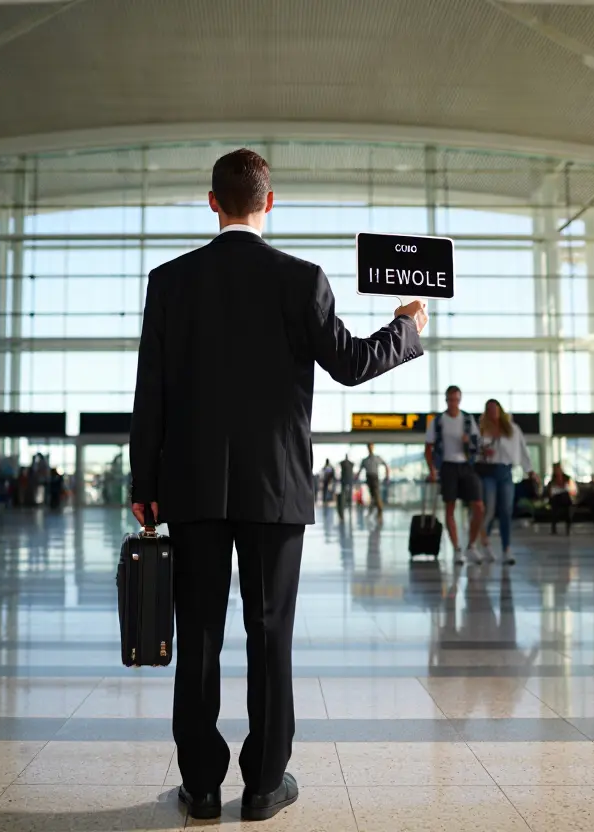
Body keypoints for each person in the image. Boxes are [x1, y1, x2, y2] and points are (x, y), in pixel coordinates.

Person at [129, 148, 426, 822]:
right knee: (270, 633)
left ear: (213, 202)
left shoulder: (169, 281)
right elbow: (351, 364)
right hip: (276, 489)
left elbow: (151, 392)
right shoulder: (301, 279)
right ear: (270, 203)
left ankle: (201, 785)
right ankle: (265, 783)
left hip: (193, 488)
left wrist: (146, 479)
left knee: (198, 634)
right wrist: (406, 326)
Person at [424, 385, 484, 565]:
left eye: (456, 400)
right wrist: (432, 469)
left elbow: (477, 444)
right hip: (447, 466)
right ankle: (457, 549)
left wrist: (468, 442)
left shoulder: (467, 419)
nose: (453, 403)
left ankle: (471, 546)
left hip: (466, 466)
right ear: (446, 400)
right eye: (450, 400)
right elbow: (428, 447)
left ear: (460, 400)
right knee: (450, 507)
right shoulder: (438, 421)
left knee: (479, 507)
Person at [475, 399, 532, 566]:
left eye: (495, 409)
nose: (493, 413)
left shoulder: (512, 430)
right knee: (490, 509)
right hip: (488, 472)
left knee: (506, 510)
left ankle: (506, 549)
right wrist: (483, 451)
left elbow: (522, 449)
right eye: (489, 410)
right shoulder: (481, 430)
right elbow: (473, 451)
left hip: (506, 472)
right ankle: (484, 544)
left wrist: (530, 470)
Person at [359, 443, 390, 522]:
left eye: (371, 447)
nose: (370, 448)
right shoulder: (365, 460)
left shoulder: (377, 458)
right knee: (373, 496)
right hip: (368, 479)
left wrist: (387, 476)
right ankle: (372, 512)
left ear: (373, 447)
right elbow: (360, 471)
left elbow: (386, 465)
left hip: (375, 479)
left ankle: (378, 513)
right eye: (369, 447)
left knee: (376, 496)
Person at [545, 462, 578, 535]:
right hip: (556, 500)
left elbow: (573, 490)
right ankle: (554, 528)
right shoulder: (552, 482)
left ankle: (567, 528)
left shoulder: (567, 479)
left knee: (565, 498)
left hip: (565, 499)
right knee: (557, 503)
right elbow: (550, 493)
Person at [337, 453, 356, 521]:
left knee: (344, 496)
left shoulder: (343, 463)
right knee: (345, 496)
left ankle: (344, 509)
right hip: (348, 481)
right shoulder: (351, 463)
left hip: (345, 481)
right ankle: (345, 509)